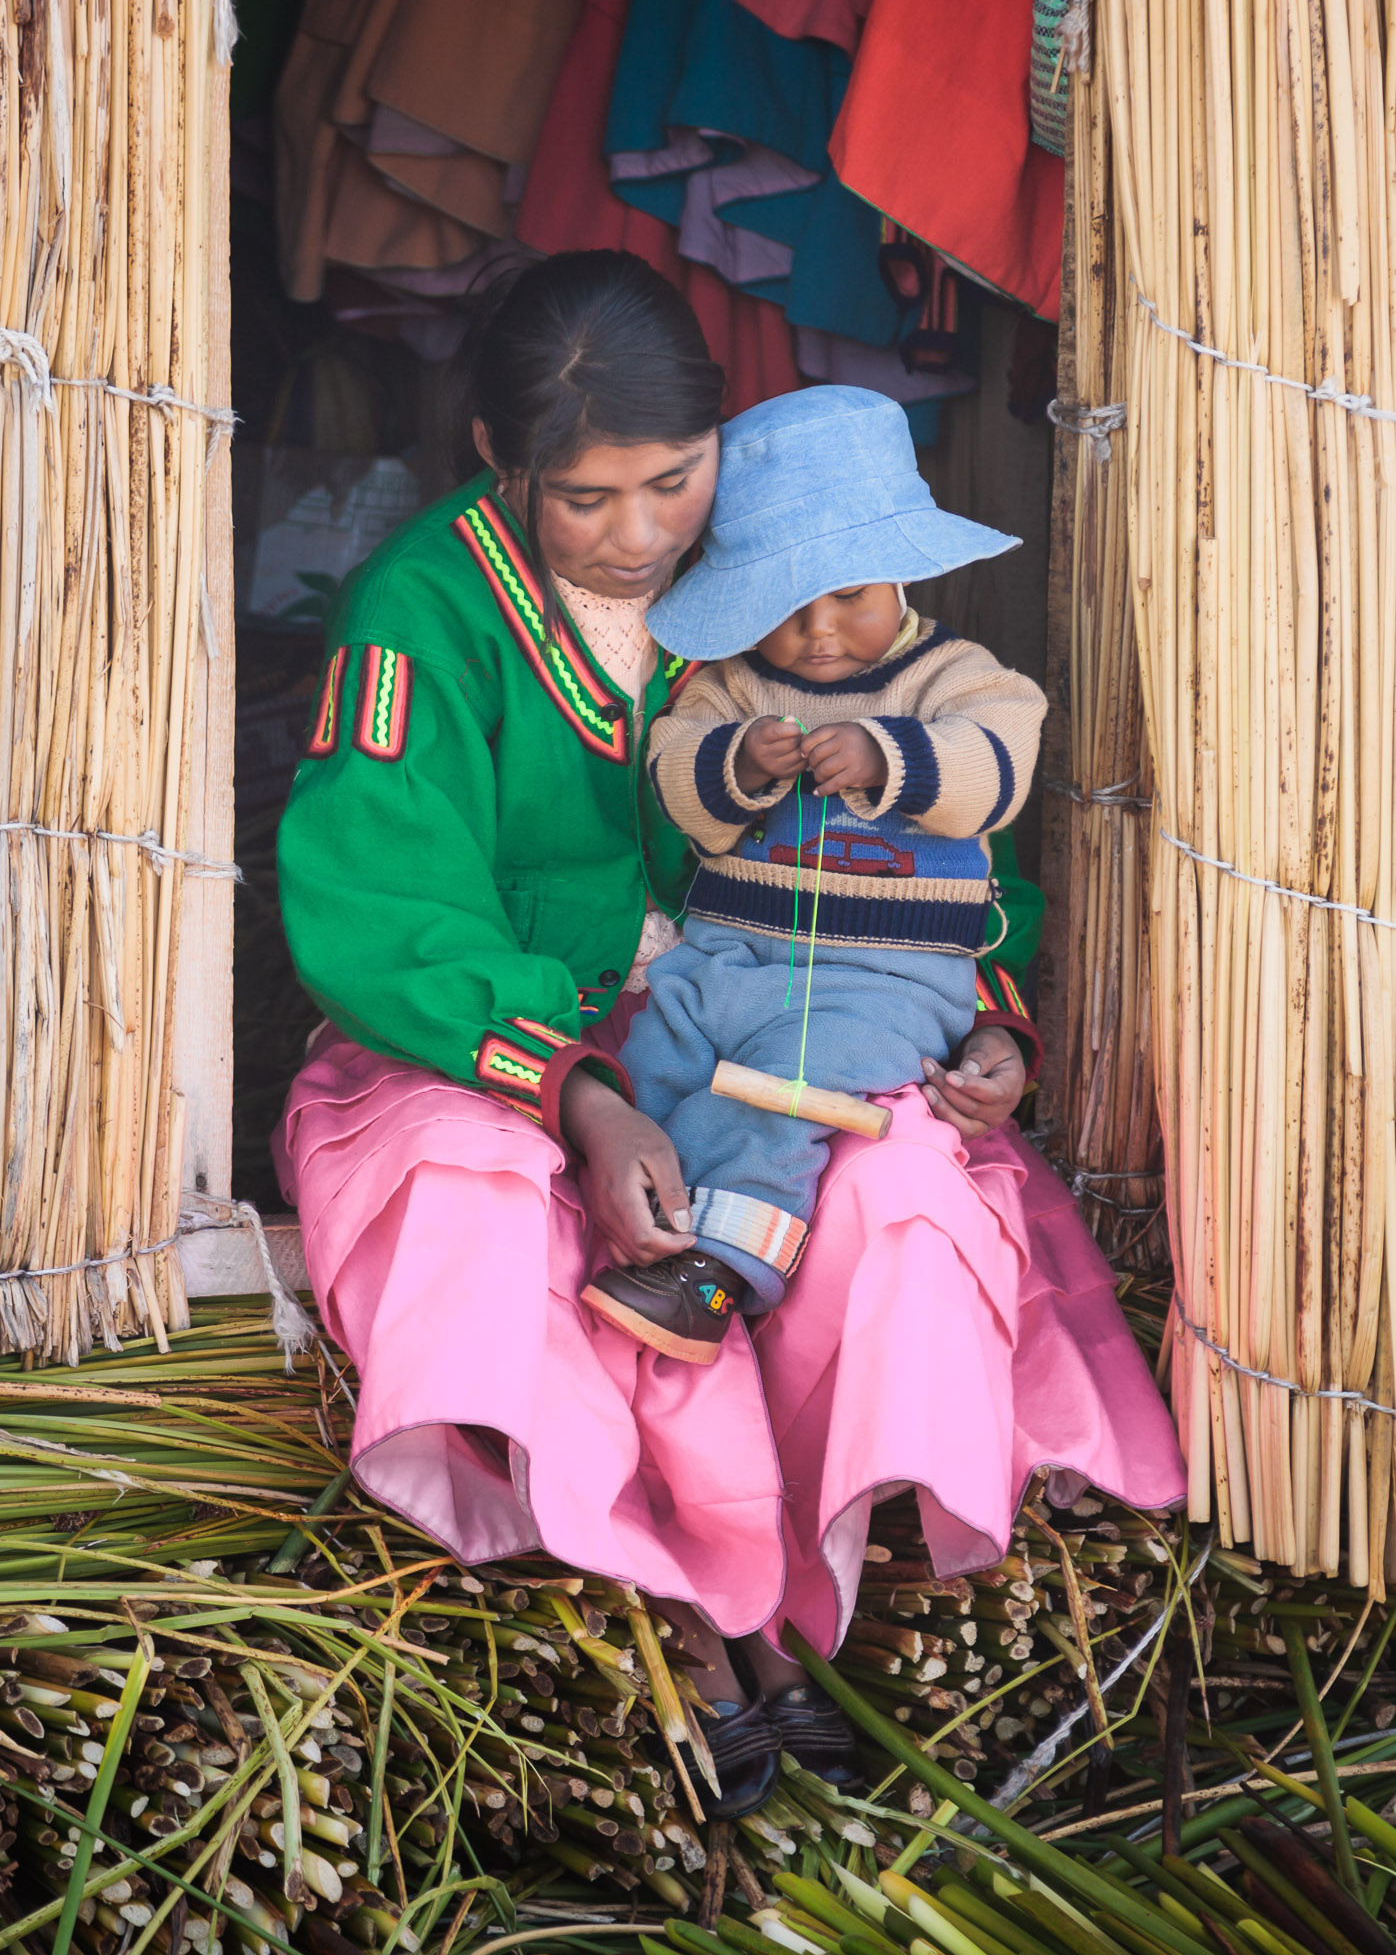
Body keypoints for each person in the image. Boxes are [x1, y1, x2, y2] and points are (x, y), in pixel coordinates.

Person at [275, 249, 1186, 1822]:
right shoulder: (419, 616)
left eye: (673, 483)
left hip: (758, 1010)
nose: (639, 539)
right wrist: (575, 1091)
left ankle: (841, 1596)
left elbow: (934, 856)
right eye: (586, 500)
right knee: (508, 1211)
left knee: (892, 1179)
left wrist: (989, 1017)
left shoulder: (777, 579)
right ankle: (676, 1620)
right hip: (473, 1035)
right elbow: (379, 906)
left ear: (722, 452)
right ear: (501, 463)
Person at [585, 386, 1047, 1359]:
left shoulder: (955, 678)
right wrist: (736, 764)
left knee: (774, 1090)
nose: (824, 630)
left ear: (904, 580)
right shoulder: (733, 686)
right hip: (725, 957)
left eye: (852, 596)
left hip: (878, 983)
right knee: (656, 1059)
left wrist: (895, 757)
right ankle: (636, 1230)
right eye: (789, 608)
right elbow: (676, 776)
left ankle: (718, 1273)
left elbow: (997, 762)